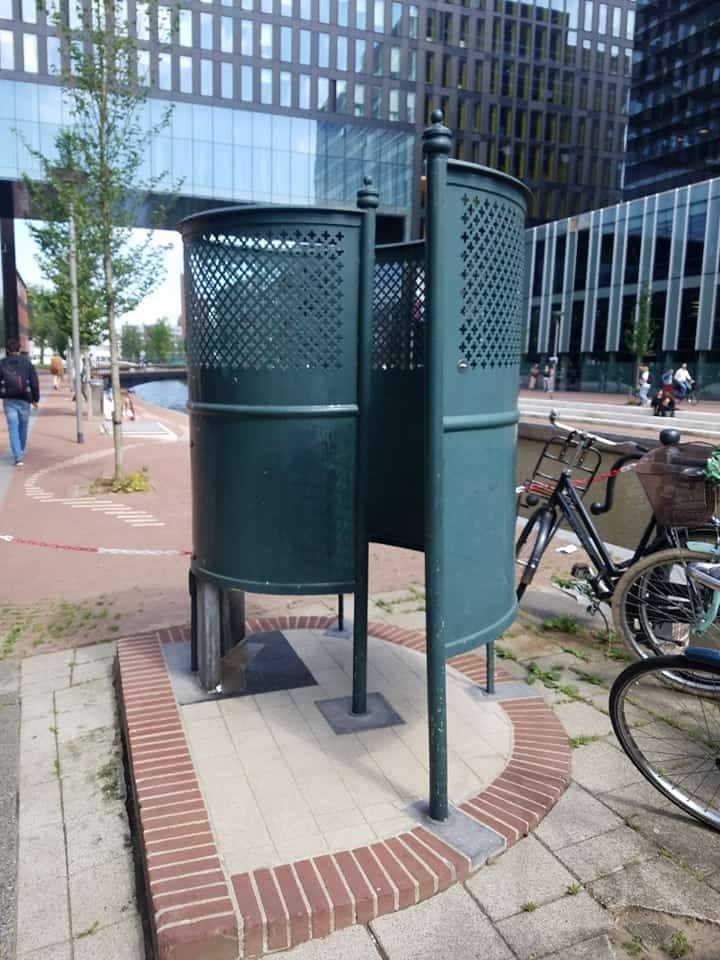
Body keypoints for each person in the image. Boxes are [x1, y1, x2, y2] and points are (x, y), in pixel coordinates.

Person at [0, 338, 40, 466]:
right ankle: (20, 450)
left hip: (9, 399)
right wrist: (35, 399)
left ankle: (18, 457)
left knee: (12, 427)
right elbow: (34, 381)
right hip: (24, 398)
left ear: (7, 350)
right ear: (19, 349)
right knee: (23, 426)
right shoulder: (27, 363)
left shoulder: (2, 363)